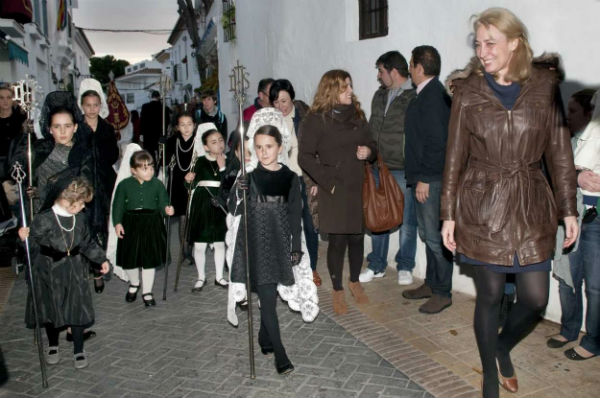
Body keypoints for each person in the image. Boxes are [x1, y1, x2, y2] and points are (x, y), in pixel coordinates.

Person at [440, 8, 578, 398]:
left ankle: (502, 346)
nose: (482, 52)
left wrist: (568, 207)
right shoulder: (467, 92)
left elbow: (560, 153)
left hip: (532, 202)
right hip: (482, 204)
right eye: (478, 44)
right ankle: (488, 376)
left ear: (514, 43)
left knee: (535, 299)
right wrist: (447, 214)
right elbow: (454, 158)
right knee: (491, 295)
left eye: (491, 43)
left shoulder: (545, 86)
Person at [228, 116, 302, 375]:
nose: (263, 152)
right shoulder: (249, 177)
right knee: (268, 300)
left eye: (268, 146)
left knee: (269, 298)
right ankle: (281, 356)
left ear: (280, 146)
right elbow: (233, 209)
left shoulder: (291, 178)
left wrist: (296, 246)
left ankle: (264, 336)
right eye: (258, 147)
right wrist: (240, 191)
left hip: (279, 243)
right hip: (256, 243)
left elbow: (295, 215)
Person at [299, 69, 377, 314]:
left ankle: (354, 282)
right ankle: (337, 290)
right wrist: (325, 182)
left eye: (350, 86)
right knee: (338, 240)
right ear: (332, 90)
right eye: (345, 87)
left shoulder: (357, 115)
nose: (350, 91)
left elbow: (373, 144)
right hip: (332, 188)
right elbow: (305, 157)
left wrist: (369, 152)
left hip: (355, 185)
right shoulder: (315, 119)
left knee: (356, 237)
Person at [18, 175, 110, 369]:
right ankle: (53, 345)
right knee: (52, 308)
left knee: (76, 309)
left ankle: (78, 349)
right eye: (80, 204)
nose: (83, 207)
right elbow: (31, 248)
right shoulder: (44, 220)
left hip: (75, 269)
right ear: (68, 202)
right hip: (49, 270)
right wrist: (23, 239)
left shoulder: (80, 219)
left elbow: (86, 243)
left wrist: (101, 259)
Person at [548, 89, 600, 361]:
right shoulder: (569, 140)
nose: (569, 117)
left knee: (595, 285)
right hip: (571, 213)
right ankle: (569, 328)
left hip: (596, 217)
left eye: (574, 112)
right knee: (567, 277)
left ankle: (593, 341)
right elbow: (555, 172)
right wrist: (578, 177)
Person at [401, 45, 453, 314]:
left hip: (430, 179)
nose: (409, 70)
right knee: (428, 235)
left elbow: (437, 143)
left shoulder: (433, 96)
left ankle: (443, 291)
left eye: (411, 65)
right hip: (425, 177)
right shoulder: (429, 93)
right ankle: (432, 284)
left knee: (435, 237)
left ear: (420, 67)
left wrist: (425, 178)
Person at [359, 51, 418, 286]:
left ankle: (405, 265)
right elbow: (373, 125)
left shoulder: (413, 97)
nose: (378, 76)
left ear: (394, 71)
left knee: (407, 220)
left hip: (402, 168)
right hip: (377, 165)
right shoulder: (379, 96)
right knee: (378, 216)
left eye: (381, 71)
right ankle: (377, 265)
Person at [269, 79, 321, 286]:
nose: (280, 106)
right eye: (276, 102)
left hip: (305, 179)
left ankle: (312, 269)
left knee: (310, 226)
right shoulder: (269, 122)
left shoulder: (306, 118)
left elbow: (318, 150)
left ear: (292, 97)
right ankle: (286, 269)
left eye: (284, 100)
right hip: (282, 181)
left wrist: (317, 179)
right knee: (286, 227)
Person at [112, 149, 174, 307]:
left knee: (149, 260)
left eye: (152, 167)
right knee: (130, 260)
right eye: (145, 168)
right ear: (134, 170)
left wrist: (167, 209)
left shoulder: (157, 184)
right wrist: (117, 223)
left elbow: (163, 202)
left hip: (151, 222)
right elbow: (118, 205)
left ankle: (147, 291)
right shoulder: (124, 185)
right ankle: (134, 283)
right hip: (130, 223)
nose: (150, 171)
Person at [78, 79, 120, 293]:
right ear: (82, 106)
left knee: (104, 224)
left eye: (95, 105)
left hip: (104, 181)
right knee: (86, 225)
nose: (92, 109)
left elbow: (113, 154)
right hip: (84, 183)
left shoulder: (106, 128)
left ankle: (101, 264)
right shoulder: (77, 128)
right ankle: (92, 268)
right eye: (88, 105)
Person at [185, 123, 228, 291]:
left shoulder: (229, 159)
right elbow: (190, 186)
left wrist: (223, 166)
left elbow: (229, 183)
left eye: (220, 140)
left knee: (219, 242)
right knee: (200, 244)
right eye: (213, 142)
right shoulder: (200, 161)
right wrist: (187, 181)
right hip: (202, 204)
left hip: (220, 203)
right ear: (205, 146)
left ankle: (219, 276)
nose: (218, 144)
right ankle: (201, 277)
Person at [165, 111, 196, 266]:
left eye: (189, 124)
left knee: (192, 217)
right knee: (183, 215)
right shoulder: (172, 141)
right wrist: (162, 146)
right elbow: (164, 163)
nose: (186, 128)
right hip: (177, 182)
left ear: (194, 125)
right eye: (182, 125)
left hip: (194, 182)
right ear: (177, 127)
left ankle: (191, 247)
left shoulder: (198, 141)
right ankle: (185, 251)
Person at [0, 83, 26, 181]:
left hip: (18, 165)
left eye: (8, 97)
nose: (5, 101)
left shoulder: (22, 118)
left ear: (12, 99)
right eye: (1, 98)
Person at [140, 90, 170, 161]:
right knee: (161, 153)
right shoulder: (164, 108)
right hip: (160, 134)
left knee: (150, 153)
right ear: (159, 97)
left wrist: (141, 133)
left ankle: (152, 167)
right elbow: (167, 121)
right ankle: (160, 168)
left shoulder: (145, 107)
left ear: (151, 97)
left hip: (148, 134)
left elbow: (142, 121)